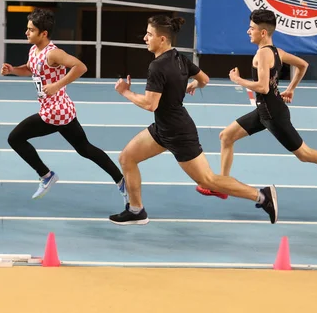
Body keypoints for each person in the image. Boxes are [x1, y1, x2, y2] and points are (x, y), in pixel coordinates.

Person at [109, 15, 278, 225]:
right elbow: (204, 79)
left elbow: (150, 104)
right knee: (127, 158)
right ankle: (136, 210)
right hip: (163, 128)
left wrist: (125, 92)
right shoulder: (179, 57)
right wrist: (193, 85)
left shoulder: (157, 67)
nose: (145, 38)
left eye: (149, 34)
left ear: (162, 39)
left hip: (178, 133)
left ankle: (261, 196)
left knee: (208, 180)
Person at [196, 9, 317, 200]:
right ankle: (223, 186)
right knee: (226, 136)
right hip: (265, 111)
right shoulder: (278, 52)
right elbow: (303, 65)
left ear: (263, 33)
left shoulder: (262, 55)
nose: (247, 31)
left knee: (305, 154)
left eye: (251, 28)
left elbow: (262, 87)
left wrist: (238, 80)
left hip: (273, 115)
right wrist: (291, 88)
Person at [1, 8, 128, 203]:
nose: (26, 33)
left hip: (55, 112)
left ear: (43, 33)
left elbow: (81, 67)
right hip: (60, 109)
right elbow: (29, 69)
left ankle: (46, 175)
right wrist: (13, 70)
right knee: (85, 148)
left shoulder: (54, 54)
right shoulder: (34, 50)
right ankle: (121, 180)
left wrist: (57, 85)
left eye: (31, 30)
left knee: (15, 138)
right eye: (27, 29)